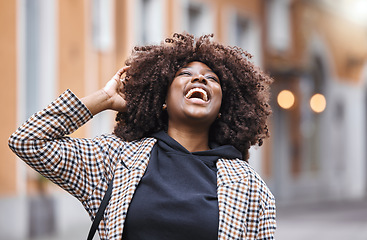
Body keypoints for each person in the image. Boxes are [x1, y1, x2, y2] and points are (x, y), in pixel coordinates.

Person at [9, 33, 276, 240]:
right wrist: (103, 99)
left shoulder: (248, 184)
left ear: (223, 108)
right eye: (185, 74)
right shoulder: (115, 158)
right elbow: (28, 141)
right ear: (163, 98)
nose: (200, 80)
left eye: (211, 78)